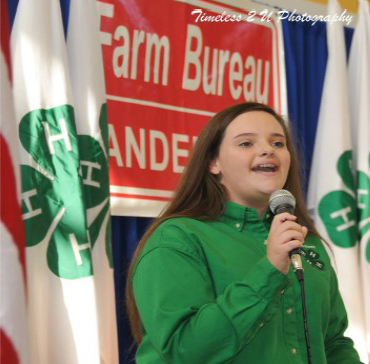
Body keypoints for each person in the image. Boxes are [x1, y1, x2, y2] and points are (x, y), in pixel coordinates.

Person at [125, 102, 361, 363]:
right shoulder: (176, 239)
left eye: (278, 143)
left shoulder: (305, 240)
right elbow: (186, 350)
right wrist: (270, 270)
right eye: (246, 143)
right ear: (213, 162)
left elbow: (334, 343)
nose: (267, 151)